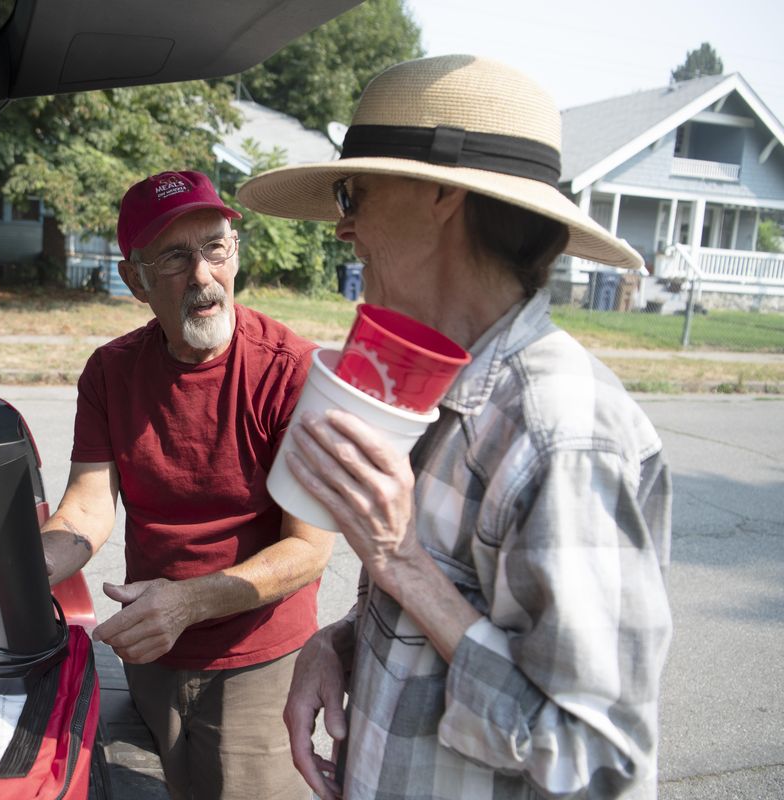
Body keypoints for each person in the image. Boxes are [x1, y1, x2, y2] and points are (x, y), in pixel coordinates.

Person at [236, 55, 673, 799]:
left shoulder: (564, 433)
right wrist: (338, 642)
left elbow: (597, 762)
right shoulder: (444, 387)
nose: (344, 227)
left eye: (354, 193)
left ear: (441, 193)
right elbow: (453, 613)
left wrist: (400, 563)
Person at [41, 170, 333, 800]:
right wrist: (12, 574)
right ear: (134, 279)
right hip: (152, 649)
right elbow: (88, 509)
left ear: (236, 255)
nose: (202, 276)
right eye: (174, 257)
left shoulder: (291, 371)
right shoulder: (111, 371)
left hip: (259, 657)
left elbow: (310, 550)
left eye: (214, 250)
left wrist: (187, 603)